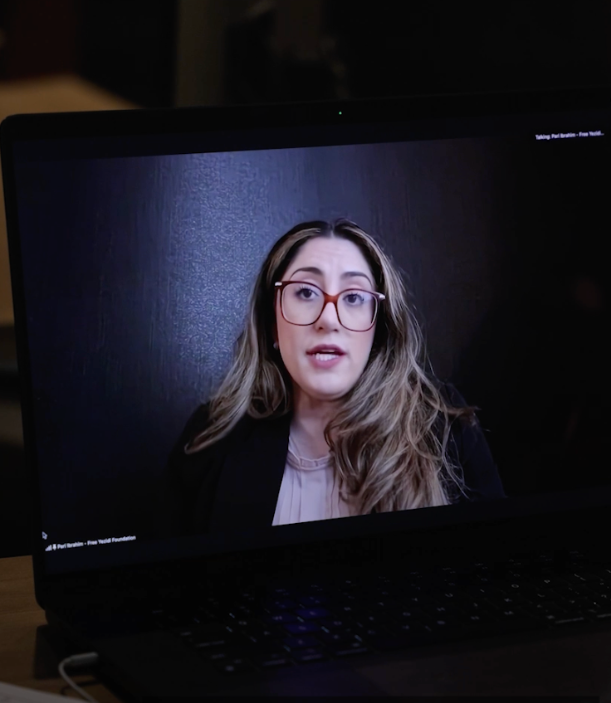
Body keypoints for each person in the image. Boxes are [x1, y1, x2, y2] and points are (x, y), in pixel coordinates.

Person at [164, 219, 504, 536]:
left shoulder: (446, 430)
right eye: (306, 292)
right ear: (272, 324)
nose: (328, 319)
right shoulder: (211, 438)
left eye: (353, 297)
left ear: (378, 328)